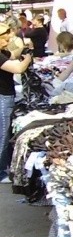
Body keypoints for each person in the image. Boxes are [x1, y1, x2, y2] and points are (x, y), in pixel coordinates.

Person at [0, 23, 34, 183]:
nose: (9, 37)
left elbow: (13, 55)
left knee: (5, 133)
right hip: (2, 98)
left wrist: (24, 48)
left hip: (6, 96)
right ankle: (1, 173)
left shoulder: (2, 52)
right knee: (3, 135)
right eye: (5, 35)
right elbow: (18, 68)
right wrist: (28, 57)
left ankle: (3, 169)